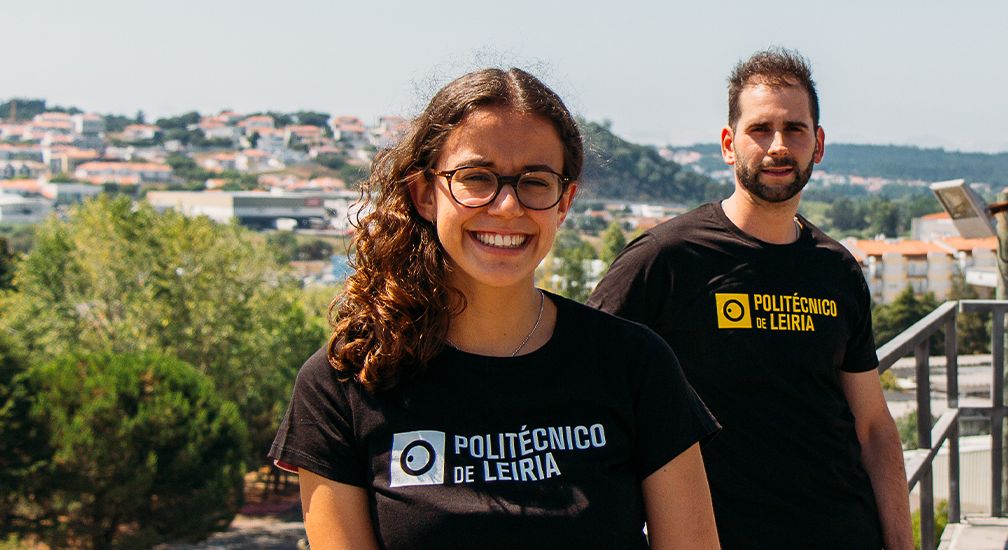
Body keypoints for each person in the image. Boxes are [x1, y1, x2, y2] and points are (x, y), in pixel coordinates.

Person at [269, 68, 721, 550]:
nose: (507, 206)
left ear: (564, 202)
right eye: (476, 178)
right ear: (425, 194)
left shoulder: (635, 365)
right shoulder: (344, 383)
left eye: (536, 182)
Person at [589, 49, 913, 550]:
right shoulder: (665, 259)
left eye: (795, 130)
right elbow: (585, 387)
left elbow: (873, 427)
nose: (778, 146)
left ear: (818, 145)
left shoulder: (838, 270)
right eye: (760, 129)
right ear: (728, 144)